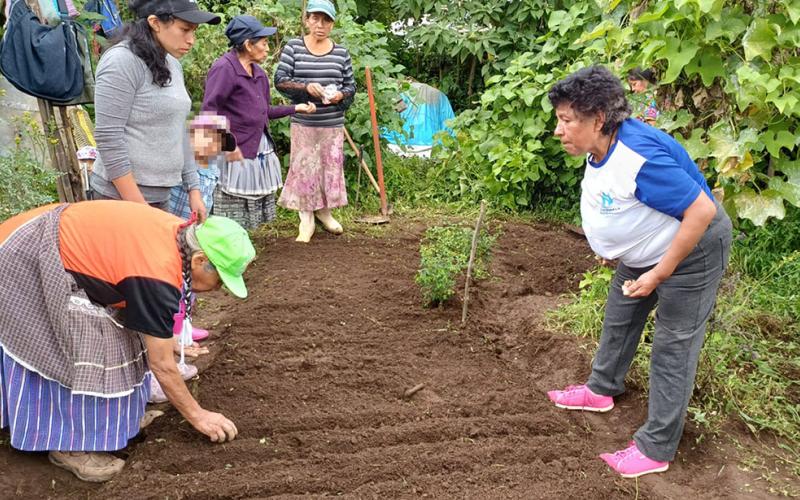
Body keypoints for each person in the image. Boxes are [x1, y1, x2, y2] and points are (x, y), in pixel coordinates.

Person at [545, 66, 732, 478]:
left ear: (597, 119)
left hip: (692, 250)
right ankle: (601, 390)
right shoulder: (601, 146)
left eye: (566, 120)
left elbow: (700, 211)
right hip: (649, 247)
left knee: (673, 345)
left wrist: (661, 273)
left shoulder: (638, 155)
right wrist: (612, 244)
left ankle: (656, 448)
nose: (558, 130)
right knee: (620, 316)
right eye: (558, 119)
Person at [0, 201, 256, 482]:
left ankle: (115, 422)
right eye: (220, 279)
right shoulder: (158, 271)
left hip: (59, 244)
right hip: (28, 257)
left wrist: (165, 337)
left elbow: (139, 298)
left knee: (123, 336)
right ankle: (68, 445)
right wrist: (198, 416)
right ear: (199, 261)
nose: (219, 288)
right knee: (83, 344)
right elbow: (161, 365)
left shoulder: (179, 238)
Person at [90, 0, 221, 220]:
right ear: (155, 23)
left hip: (161, 196)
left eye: (194, 31)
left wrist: (194, 190)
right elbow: (108, 138)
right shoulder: (121, 61)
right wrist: (140, 208)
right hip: (118, 200)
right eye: (185, 29)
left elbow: (178, 131)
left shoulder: (172, 64)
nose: (191, 40)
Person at [202, 15, 316, 230]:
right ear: (248, 44)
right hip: (234, 149)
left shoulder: (260, 74)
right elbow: (209, 111)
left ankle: (241, 246)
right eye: (263, 42)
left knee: (247, 209)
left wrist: (296, 108)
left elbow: (263, 112)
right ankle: (225, 251)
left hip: (256, 147)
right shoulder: (224, 69)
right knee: (229, 209)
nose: (267, 48)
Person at [274, 0, 356, 242]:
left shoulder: (341, 53)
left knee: (329, 168)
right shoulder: (294, 47)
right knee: (305, 168)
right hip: (304, 122)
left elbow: (351, 87)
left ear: (332, 24)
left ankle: (324, 212)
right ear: (307, 20)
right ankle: (306, 219)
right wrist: (306, 88)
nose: (320, 25)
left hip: (332, 123)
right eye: (315, 19)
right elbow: (281, 81)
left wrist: (341, 95)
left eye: (326, 20)